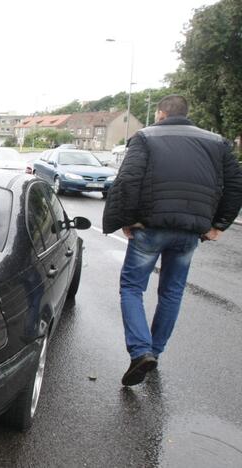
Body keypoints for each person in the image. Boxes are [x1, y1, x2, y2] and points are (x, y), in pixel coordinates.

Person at [102, 95, 242, 387]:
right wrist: (219, 225)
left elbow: (128, 180)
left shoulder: (145, 137)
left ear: (162, 113)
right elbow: (234, 185)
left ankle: (141, 351)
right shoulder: (217, 143)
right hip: (191, 231)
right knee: (172, 293)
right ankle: (155, 351)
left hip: (151, 226)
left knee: (131, 287)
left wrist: (127, 220)